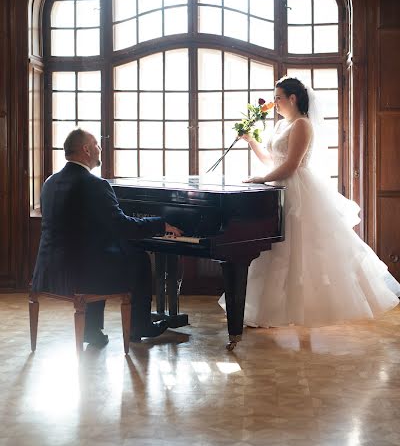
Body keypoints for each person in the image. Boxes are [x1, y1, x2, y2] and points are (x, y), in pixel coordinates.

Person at [220, 76, 400, 328]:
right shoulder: (282, 125)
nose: (275, 103)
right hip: (277, 190)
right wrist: (251, 141)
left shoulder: (302, 125)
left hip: (297, 192)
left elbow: (291, 165)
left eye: (278, 98)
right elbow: (273, 161)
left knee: (296, 252)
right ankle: (265, 312)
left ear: (292, 98)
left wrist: (261, 180)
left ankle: (301, 311)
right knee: (271, 253)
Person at [32, 128, 182, 347]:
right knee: (138, 257)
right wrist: (160, 224)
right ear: (86, 149)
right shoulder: (95, 185)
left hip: (48, 270)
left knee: (100, 254)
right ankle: (140, 325)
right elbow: (123, 227)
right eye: (96, 144)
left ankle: (92, 331)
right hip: (81, 273)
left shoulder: (50, 183)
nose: (100, 149)